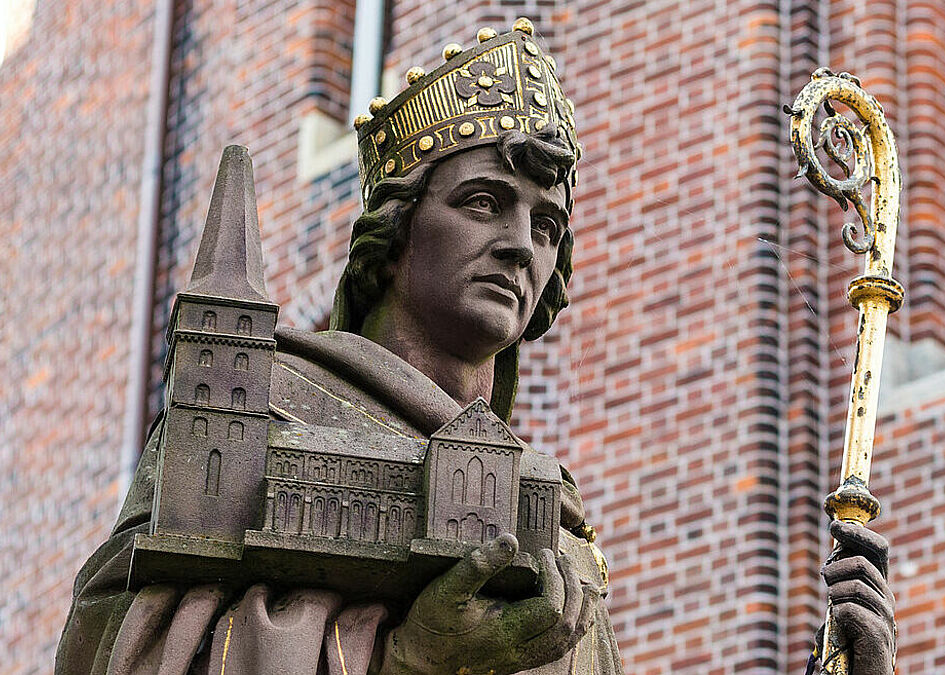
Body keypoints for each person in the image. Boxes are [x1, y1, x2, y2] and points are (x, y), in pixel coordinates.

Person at [57, 19, 894, 675]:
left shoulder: (556, 521)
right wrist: (411, 660)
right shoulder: (255, 410)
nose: (521, 245)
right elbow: (120, 650)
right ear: (395, 230)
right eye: (485, 201)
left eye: (547, 225)